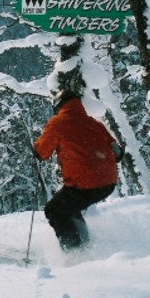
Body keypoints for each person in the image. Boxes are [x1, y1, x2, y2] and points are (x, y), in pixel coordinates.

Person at [33, 90, 120, 251]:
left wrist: (35, 149)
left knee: (54, 210)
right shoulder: (95, 124)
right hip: (107, 183)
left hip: (84, 184)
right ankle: (85, 244)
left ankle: (74, 252)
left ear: (59, 105)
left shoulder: (58, 123)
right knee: (69, 207)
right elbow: (118, 152)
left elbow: (42, 153)